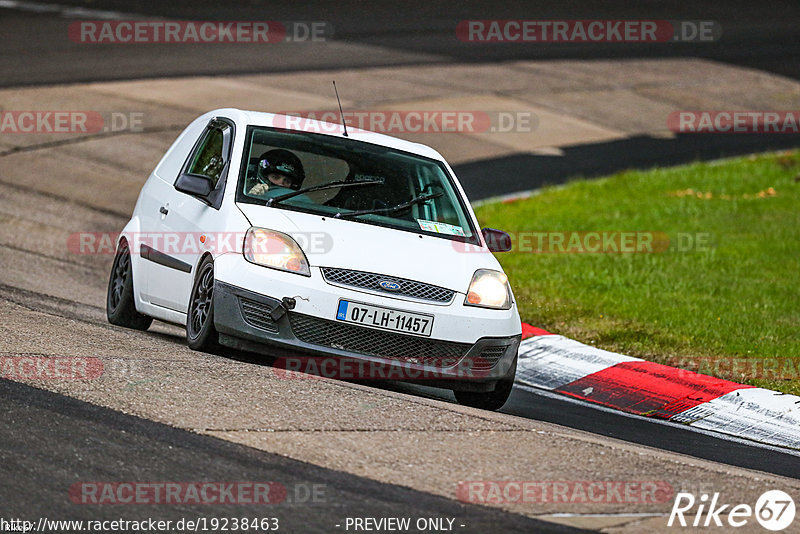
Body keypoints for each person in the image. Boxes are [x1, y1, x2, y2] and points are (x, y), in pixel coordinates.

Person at [247, 149, 313, 202]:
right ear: (264, 176)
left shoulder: (299, 202)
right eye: (275, 177)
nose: (281, 183)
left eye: (287, 181)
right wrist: (253, 197)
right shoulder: (246, 194)